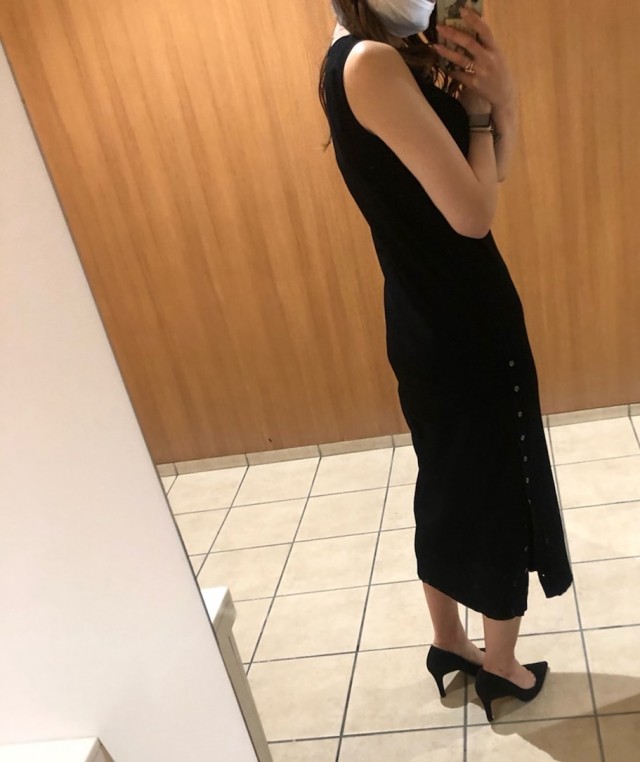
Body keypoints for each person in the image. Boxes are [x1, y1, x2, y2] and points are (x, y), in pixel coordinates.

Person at [318, 0, 573, 722]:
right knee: (495, 487)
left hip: (424, 312)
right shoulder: (374, 62)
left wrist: (499, 101)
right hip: (464, 321)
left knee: (450, 483)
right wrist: (491, 108)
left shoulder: (360, 50)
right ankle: (501, 667)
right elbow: (474, 215)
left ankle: (450, 642)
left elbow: (490, 176)